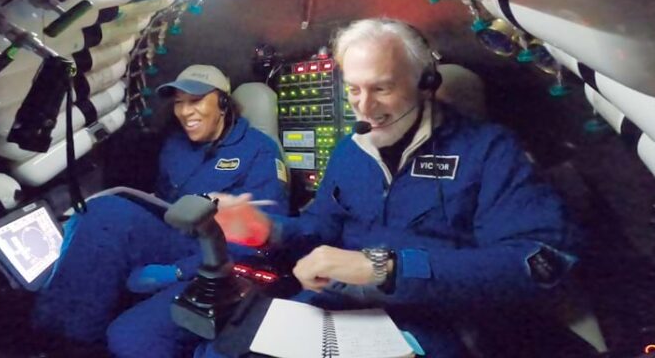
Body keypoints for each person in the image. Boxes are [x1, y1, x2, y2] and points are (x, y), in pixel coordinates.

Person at [200, 19, 579, 358]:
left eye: (382, 89)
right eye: (353, 91)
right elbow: (322, 226)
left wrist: (387, 268)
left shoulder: (488, 149)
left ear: (426, 83)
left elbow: (537, 263)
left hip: (437, 320)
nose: (366, 108)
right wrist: (268, 229)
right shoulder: (351, 150)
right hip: (340, 305)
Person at [32, 64, 289, 357]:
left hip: (218, 258)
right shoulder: (175, 144)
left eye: (195, 101)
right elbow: (164, 204)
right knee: (100, 213)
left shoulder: (259, 151)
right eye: (179, 102)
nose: (184, 112)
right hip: (174, 238)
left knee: (132, 337)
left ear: (222, 103)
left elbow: (263, 238)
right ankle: (61, 342)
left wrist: (177, 271)